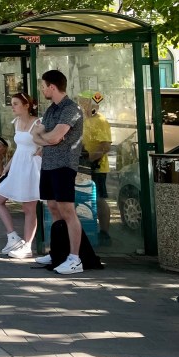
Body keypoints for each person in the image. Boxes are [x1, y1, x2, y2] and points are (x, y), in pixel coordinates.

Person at [32, 69, 85, 275]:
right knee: (53, 207)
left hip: (64, 165)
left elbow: (51, 137)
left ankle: (75, 258)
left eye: (44, 86)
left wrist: (46, 137)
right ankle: (58, 252)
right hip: (48, 164)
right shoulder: (51, 109)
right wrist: (47, 137)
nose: (42, 90)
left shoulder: (71, 109)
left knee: (67, 211)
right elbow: (38, 136)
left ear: (52, 87)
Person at [0, 94, 42, 258]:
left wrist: (38, 155)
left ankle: (27, 245)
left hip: (31, 167)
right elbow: (19, 148)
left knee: (28, 208)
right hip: (18, 165)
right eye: (12, 104)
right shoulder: (17, 122)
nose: (12, 107)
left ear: (27, 105)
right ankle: (13, 237)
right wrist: (7, 168)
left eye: (16, 104)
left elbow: (45, 145)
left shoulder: (38, 123)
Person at [78, 90, 113, 246]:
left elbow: (105, 146)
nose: (81, 104)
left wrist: (89, 160)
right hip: (83, 165)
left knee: (98, 199)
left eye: (84, 102)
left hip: (96, 166)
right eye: (80, 101)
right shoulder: (84, 119)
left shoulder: (100, 121)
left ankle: (105, 232)